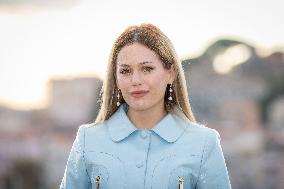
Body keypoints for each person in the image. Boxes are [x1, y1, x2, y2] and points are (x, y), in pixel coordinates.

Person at [59, 23, 232, 189]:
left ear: (171, 73)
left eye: (147, 69)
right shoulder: (88, 140)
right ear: (116, 78)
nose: (136, 81)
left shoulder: (203, 144)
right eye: (125, 71)